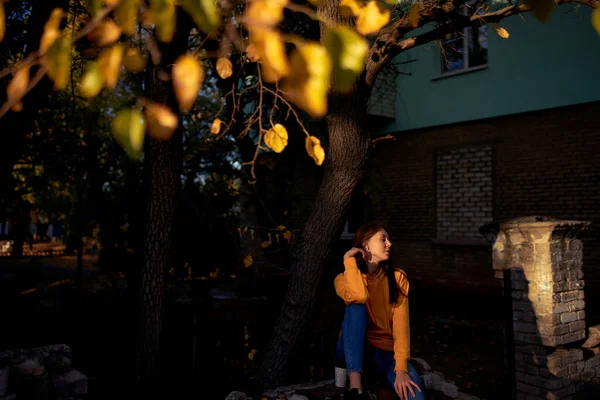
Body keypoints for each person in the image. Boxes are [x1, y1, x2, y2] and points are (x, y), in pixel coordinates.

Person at [334, 221, 425, 400]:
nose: (389, 244)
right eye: (383, 239)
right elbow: (359, 296)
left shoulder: (398, 278)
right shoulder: (343, 278)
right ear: (366, 244)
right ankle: (355, 388)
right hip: (354, 349)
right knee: (356, 308)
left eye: (389, 239)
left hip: (385, 352)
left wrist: (400, 370)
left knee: (415, 396)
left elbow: (401, 327)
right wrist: (349, 262)